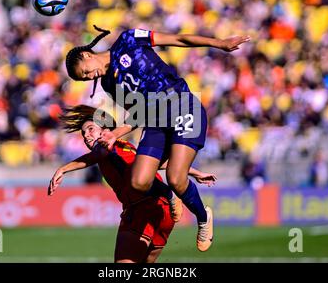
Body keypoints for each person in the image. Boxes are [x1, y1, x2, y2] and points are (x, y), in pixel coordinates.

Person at [65, 26, 248, 251]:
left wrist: (219, 43)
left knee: (176, 177)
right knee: (138, 181)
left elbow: (177, 38)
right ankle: (170, 194)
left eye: (85, 72)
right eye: (84, 79)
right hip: (155, 121)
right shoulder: (108, 84)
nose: (89, 77)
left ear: (86, 55)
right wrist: (115, 133)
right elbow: (139, 111)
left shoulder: (129, 40)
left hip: (182, 105)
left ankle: (203, 217)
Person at [48, 105, 217, 263]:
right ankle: (170, 195)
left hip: (140, 210)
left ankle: (169, 193)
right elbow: (158, 163)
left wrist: (63, 169)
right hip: (161, 211)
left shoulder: (105, 148)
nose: (86, 136)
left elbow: (93, 157)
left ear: (105, 129)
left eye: (90, 129)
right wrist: (195, 172)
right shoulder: (126, 146)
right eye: (84, 134)